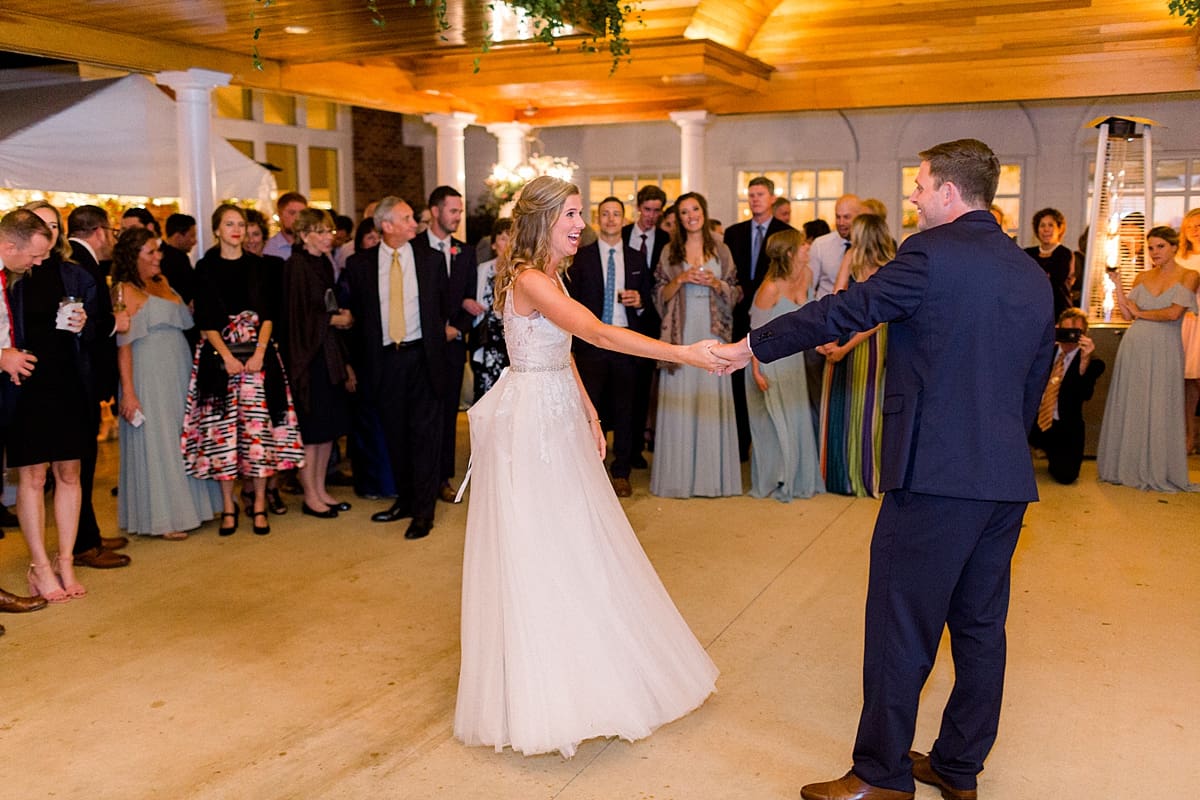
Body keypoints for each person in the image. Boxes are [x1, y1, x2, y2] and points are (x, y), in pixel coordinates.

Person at [714, 138, 1054, 800]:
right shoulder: (1029, 272)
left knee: (901, 624)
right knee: (980, 630)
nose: (914, 196)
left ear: (950, 193)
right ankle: (958, 768)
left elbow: (846, 311)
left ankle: (881, 775)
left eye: (922, 186)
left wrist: (752, 344)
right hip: (1004, 479)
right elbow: (1034, 378)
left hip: (934, 477)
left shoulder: (929, 255)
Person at [454, 175, 722, 759]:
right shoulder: (529, 277)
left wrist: (589, 408)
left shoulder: (550, 274)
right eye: (571, 214)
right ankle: (548, 687)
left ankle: (588, 656)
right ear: (545, 218)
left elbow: (562, 350)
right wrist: (685, 353)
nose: (580, 224)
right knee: (542, 543)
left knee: (577, 538)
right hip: (532, 425)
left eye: (580, 214)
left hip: (555, 406)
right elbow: (596, 333)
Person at [183, 204, 305, 536]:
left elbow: (269, 314)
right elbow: (205, 319)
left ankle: (261, 504)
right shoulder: (205, 267)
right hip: (218, 360)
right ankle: (227, 506)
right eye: (230, 224)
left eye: (241, 224)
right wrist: (225, 356)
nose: (237, 230)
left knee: (258, 435)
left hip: (258, 359)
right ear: (217, 230)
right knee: (223, 436)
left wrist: (260, 352)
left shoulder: (260, 267)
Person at [341, 196, 449, 539]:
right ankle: (405, 499)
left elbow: (440, 305)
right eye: (405, 219)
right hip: (385, 361)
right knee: (396, 435)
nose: (413, 223)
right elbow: (362, 319)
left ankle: (423, 511)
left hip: (423, 358)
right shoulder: (360, 265)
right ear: (386, 226)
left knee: (424, 435)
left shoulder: (432, 260)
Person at [8, 206, 96, 602]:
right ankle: (39, 565)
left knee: (70, 473)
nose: (49, 233)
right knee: (32, 476)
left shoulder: (73, 273)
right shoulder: (11, 275)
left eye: (54, 226)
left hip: (67, 379)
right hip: (23, 383)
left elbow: (100, 320)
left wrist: (86, 323)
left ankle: (65, 560)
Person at [112, 227, 221, 538]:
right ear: (133, 257)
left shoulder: (162, 282)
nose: (158, 256)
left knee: (182, 437)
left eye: (158, 249)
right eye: (151, 252)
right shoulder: (124, 290)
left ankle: (197, 506)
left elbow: (183, 319)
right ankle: (165, 517)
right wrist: (129, 393)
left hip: (179, 367)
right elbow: (124, 346)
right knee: (158, 441)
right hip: (149, 373)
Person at [650, 192, 742, 498]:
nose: (691, 215)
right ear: (678, 217)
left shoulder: (721, 247)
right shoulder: (668, 251)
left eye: (695, 209)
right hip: (680, 332)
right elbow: (658, 295)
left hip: (714, 330)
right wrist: (682, 280)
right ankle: (677, 480)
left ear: (703, 211)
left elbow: (737, 291)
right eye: (684, 211)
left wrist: (716, 284)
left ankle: (711, 479)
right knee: (682, 395)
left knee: (710, 392)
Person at [1097, 226, 1200, 492]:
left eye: (1160, 246)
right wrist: (1118, 285)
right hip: (1135, 345)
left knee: (1161, 403)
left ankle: (1160, 467)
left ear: (1175, 247)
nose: (1155, 252)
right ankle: (1127, 465)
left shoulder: (1189, 275)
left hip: (1166, 346)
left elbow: (1174, 313)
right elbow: (1127, 315)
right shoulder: (1141, 276)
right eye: (1151, 247)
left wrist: (1141, 313)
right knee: (1134, 402)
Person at [566, 197, 657, 497]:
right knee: (594, 409)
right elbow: (572, 302)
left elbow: (648, 302)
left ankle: (621, 473)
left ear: (624, 218)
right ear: (597, 218)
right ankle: (594, 470)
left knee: (626, 409)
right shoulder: (581, 256)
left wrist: (640, 302)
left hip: (624, 342)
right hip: (591, 344)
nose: (610, 219)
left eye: (616, 214)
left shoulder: (635, 258)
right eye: (604, 214)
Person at [65, 205, 132, 569]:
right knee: (81, 465)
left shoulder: (79, 261)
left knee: (85, 464)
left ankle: (87, 534)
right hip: (81, 379)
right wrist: (114, 322)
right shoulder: (79, 265)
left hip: (84, 378)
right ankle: (82, 544)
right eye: (112, 231)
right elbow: (84, 325)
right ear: (100, 231)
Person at [282, 208, 355, 518]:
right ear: (304, 234)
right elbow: (298, 317)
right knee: (313, 432)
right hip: (308, 357)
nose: (329, 237)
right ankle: (310, 493)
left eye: (330, 231)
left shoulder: (323, 263)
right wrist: (335, 319)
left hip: (327, 355)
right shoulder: (295, 266)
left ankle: (321, 488)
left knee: (328, 429)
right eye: (322, 232)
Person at [816, 213, 895, 497]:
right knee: (837, 404)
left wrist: (845, 347)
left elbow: (881, 319)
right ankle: (837, 477)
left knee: (866, 408)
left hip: (870, 341)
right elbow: (837, 298)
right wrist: (830, 339)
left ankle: (863, 476)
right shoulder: (851, 256)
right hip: (844, 332)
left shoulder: (888, 266)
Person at [414, 186, 480, 502]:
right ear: (435, 211)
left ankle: (442, 478)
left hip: (452, 345)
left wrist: (457, 329)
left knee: (447, 416)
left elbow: (471, 298)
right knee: (417, 413)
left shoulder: (465, 252)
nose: (458, 217)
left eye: (460, 211)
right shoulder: (412, 249)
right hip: (418, 347)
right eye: (453, 210)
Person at [746, 228, 822, 501]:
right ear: (790, 252)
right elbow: (755, 333)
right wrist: (756, 369)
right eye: (803, 243)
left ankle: (796, 478)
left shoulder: (808, 276)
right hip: (767, 361)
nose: (808, 246)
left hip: (794, 362)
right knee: (772, 426)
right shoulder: (770, 288)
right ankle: (775, 479)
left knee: (796, 420)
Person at [725, 176, 794, 463]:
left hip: (773, 313)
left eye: (760, 194)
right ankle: (742, 445)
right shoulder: (734, 232)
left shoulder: (786, 232)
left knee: (771, 378)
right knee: (740, 381)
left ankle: (775, 451)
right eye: (751, 194)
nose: (755, 199)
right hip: (739, 314)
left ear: (772, 198)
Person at [1028, 308, 1105, 485]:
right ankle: (1034, 448)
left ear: (1084, 335)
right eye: (1066, 331)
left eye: (1076, 333)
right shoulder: (1045, 353)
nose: (1070, 337)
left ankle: (1050, 453)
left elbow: (1085, 395)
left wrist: (1084, 362)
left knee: (1066, 476)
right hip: (1035, 420)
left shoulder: (1094, 362)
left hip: (1064, 427)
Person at [470, 217, 512, 400]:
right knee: (487, 394)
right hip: (487, 339)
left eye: (511, 237)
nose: (507, 242)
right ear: (494, 244)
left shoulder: (523, 272)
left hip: (512, 340)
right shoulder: (482, 270)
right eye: (502, 238)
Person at [1175, 208, 1200, 453]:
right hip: (1185, 320)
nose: (1194, 230)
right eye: (1190, 225)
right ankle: (1188, 438)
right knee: (1187, 381)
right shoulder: (1180, 258)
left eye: (1199, 225)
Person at [1024, 207, 1075, 319]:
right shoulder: (1028, 253)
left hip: (1059, 314)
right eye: (1042, 225)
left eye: (1051, 225)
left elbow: (1056, 281)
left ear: (1059, 228)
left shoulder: (1064, 254)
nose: (1046, 230)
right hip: (1033, 313)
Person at [262, 192, 308, 260]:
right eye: (292, 213)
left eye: (302, 213)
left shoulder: (313, 246)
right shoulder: (268, 248)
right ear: (280, 215)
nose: (298, 218)